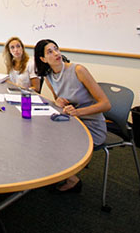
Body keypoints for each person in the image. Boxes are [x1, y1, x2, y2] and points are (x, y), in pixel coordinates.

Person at [34, 38, 111, 193]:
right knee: (38, 133)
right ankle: (56, 172)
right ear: (42, 59)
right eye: (50, 51)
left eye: (56, 49)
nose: (56, 53)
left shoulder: (78, 70)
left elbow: (106, 104)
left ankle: (72, 179)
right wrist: (59, 102)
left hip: (91, 126)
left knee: (53, 141)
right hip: (71, 122)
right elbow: (60, 100)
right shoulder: (49, 76)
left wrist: (78, 112)